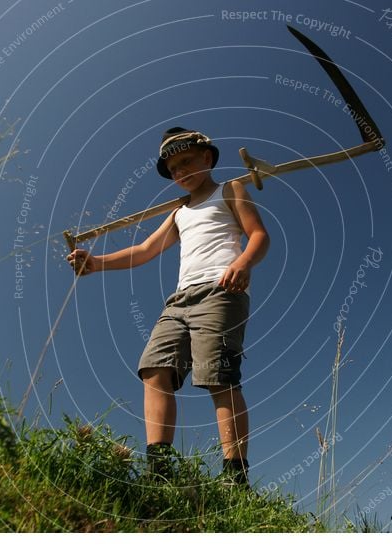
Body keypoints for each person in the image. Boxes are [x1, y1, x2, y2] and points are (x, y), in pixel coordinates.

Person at [66, 127, 270, 485]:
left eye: (186, 162)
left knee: (217, 377)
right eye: (173, 170)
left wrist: (244, 263)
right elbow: (144, 251)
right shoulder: (179, 212)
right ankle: (158, 469)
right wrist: (95, 263)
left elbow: (259, 235)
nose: (180, 173)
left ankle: (234, 477)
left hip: (221, 290)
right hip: (179, 299)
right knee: (154, 368)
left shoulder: (229, 190)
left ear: (206, 159)